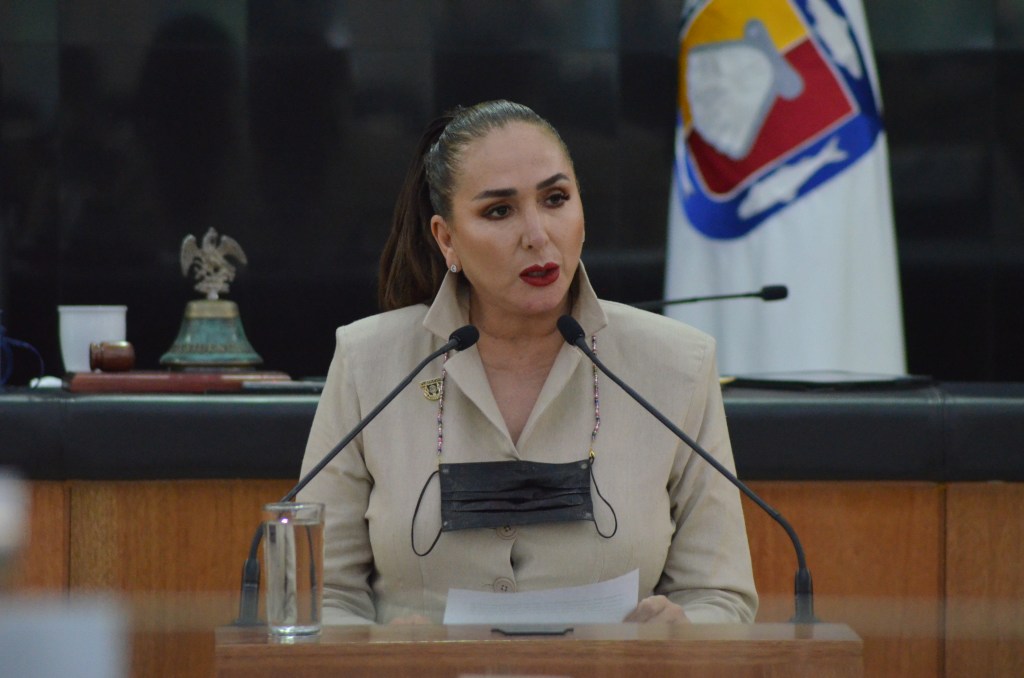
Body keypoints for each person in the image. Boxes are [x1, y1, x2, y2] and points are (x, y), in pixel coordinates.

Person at [298, 99, 758, 625]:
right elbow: (319, 596)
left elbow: (721, 597)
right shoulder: (369, 363)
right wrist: (383, 653)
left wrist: (681, 634)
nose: (537, 235)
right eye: (499, 211)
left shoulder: (677, 364)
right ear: (447, 239)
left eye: (556, 199)